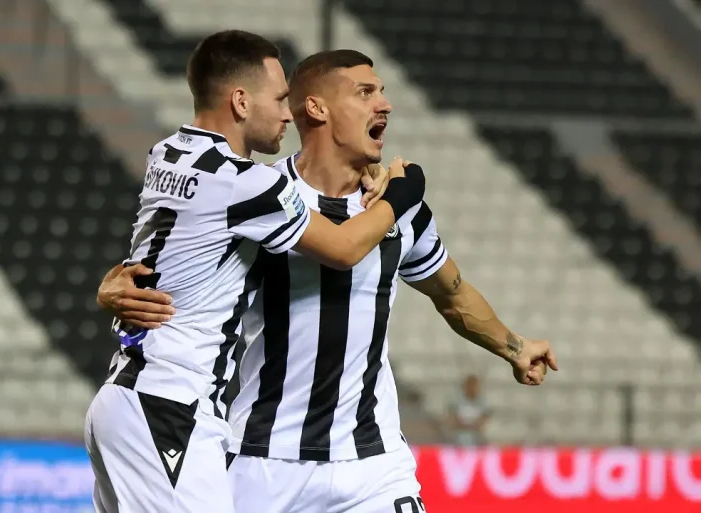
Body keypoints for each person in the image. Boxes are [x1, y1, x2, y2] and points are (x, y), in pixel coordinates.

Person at [97, 49, 558, 512]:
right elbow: (175, 255)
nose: (385, 104)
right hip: (264, 460)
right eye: (366, 92)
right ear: (317, 108)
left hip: (373, 463)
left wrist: (515, 347)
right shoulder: (263, 194)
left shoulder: (398, 209)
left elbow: (451, 294)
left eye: (382, 92)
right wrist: (113, 285)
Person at [84, 32, 427, 513]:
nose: (287, 114)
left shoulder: (168, 154)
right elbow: (344, 248)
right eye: (280, 99)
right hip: (170, 406)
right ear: (241, 101)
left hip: (128, 398)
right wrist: (404, 192)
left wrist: (110, 283)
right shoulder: (248, 185)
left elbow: (165, 247)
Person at [448, 374, 491, 446]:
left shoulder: (483, 402)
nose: (472, 389)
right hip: (458, 436)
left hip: (477, 437)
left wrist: (470, 426)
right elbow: (453, 420)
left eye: (474, 386)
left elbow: (482, 422)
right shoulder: (456, 401)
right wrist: (469, 426)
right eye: (470, 386)